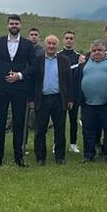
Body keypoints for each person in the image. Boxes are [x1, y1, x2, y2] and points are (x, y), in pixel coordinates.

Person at [0, 15, 36, 167]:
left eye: (16, 23)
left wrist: (19, 75)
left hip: (20, 88)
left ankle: (19, 157)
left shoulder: (27, 44)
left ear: (20, 25)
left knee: (18, 122)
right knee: (0, 122)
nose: (14, 25)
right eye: (11, 23)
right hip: (1, 88)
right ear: (7, 25)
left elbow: (34, 65)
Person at [75, 40, 107, 162]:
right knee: (88, 130)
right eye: (94, 50)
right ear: (90, 52)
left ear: (105, 51)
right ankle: (89, 155)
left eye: (100, 50)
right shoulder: (83, 64)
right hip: (88, 104)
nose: (97, 52)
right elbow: (77, 80)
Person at [32, 35, 73, 165]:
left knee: (60, 130)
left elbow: (69, 81)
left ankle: (60, 157)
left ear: (57, 45)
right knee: (40, 130)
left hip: (58, 99)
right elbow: (31, 81)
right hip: (42, 99)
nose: (51, 46)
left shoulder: (64, 60)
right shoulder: (37, 59)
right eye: (49, 43)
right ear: (45, 44)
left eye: (54, 44)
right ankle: (40, 157)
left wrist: (70, 99)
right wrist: (31, 99)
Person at [59, 31, 83, 155]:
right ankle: (58, 143)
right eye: (67, 38)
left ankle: (73, 144)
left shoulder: (79, 57)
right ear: (63, 40)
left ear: (74, 40)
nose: (69, 40)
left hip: (75, 93)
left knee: (73, 120)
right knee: (59, 121)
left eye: (71, 38)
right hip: (61, 94)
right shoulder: (57, 55)